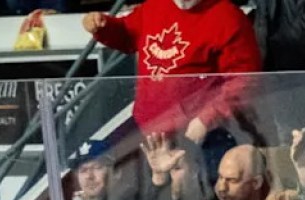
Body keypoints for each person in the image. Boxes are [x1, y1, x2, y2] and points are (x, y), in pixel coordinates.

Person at [83, 0, 261, 144]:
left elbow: (243, 81)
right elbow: (128, 35)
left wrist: (208, 119)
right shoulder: (154, 6)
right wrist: (103, 26)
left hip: (202, 136)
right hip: (149, 133)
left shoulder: (228, 17)